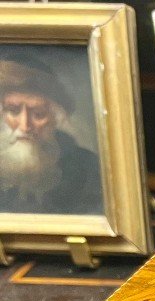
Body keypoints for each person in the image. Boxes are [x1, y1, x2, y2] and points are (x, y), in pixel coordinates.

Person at [0, 55, 102, 215]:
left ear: (55, 117)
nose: (25, 126)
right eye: (13, 111)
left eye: (39, 114)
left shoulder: (86, 170)